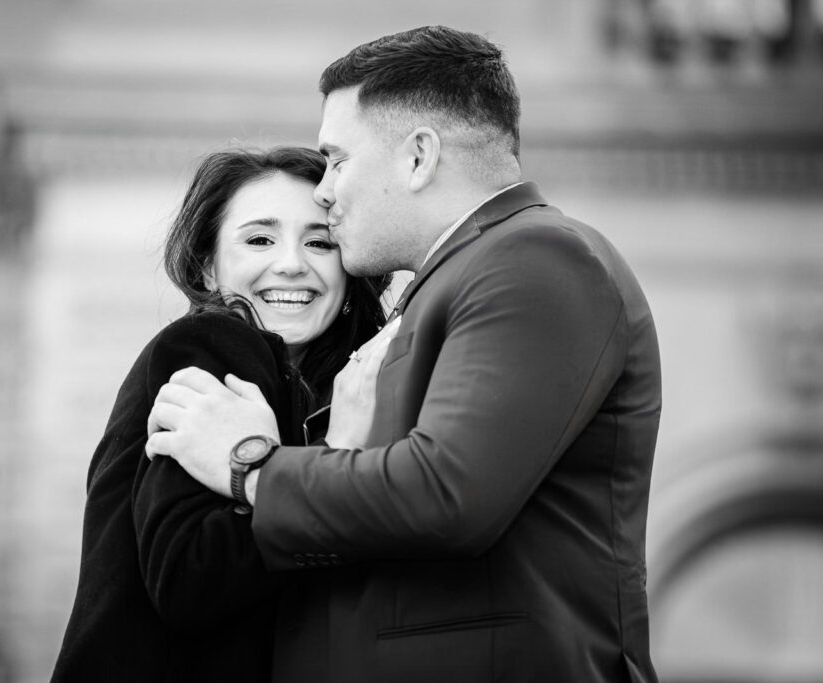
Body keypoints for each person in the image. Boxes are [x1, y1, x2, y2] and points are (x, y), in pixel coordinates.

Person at [146, 25, 662, 683]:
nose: (325, 190)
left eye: (336, 158)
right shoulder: (461, 277)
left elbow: (446, 491)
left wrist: (252, 466)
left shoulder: (535, 259)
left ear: (418, 156)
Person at [51, 146, 392, 682]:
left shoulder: (336, 386)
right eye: (259, 239)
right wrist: (328, 463)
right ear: (208, 266)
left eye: (319, 242)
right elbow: (190, 578)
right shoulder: (212, 345)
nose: (291, 263)